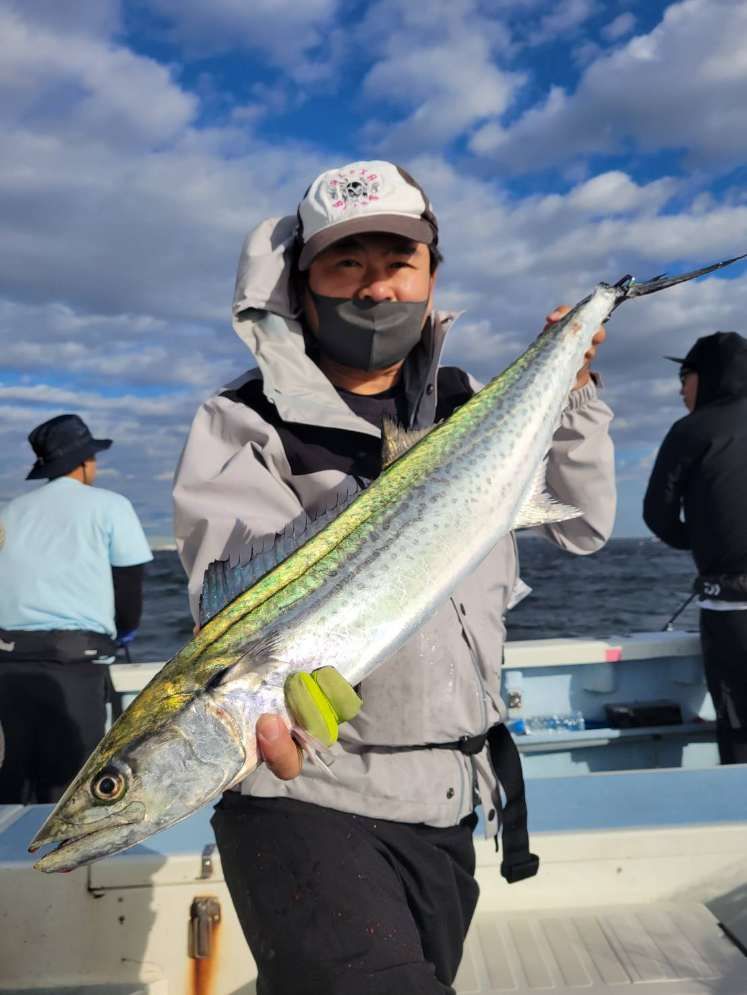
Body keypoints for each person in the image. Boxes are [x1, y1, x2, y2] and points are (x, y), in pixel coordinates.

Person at [173, 160, 616, 994]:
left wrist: (574, 387)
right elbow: (239, 604)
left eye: (397, 263)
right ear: (300, 285)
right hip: (307, 801)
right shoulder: (244, 420)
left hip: (450, 801)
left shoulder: (471, 399)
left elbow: (584, 527)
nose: (376, 289)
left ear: (430, 276)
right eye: (346, 264)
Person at [0, 414, 153, 803]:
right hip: (76, 664)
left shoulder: (10, 511)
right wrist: (124, 631)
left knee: (11, 782)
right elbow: (129, 583)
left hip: (8, 663)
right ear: (84, 462)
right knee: (69, 787)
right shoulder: (111, 505)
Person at [644, 331, 747, 765]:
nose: (680, 389)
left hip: (732, 614)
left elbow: (658, 515)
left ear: (707, 376)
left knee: (740, 731)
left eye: (684, 376)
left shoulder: (691, 430)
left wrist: (701, 538)